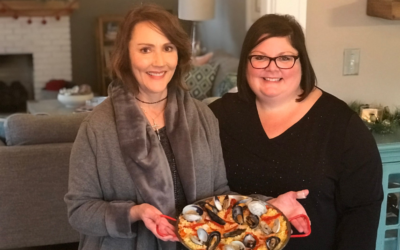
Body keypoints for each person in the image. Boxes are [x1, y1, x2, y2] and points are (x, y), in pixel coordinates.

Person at [65, 5, 310, 250]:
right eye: (145, 49)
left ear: (179, 54)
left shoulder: (202, 116)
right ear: (126, 55)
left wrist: (268, 206)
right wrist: (134, 213)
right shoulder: (97, 127)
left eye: (168, 48)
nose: (159, 61)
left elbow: (219, 196)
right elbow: (79, 211)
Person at [210, 13, 383, 250]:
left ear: (302, 61)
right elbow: (201, 196)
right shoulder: (218, 116)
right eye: (260, 57)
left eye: (284, 58)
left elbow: (362, 213)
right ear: (246, 63)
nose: (271, 68)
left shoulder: (343, 127)